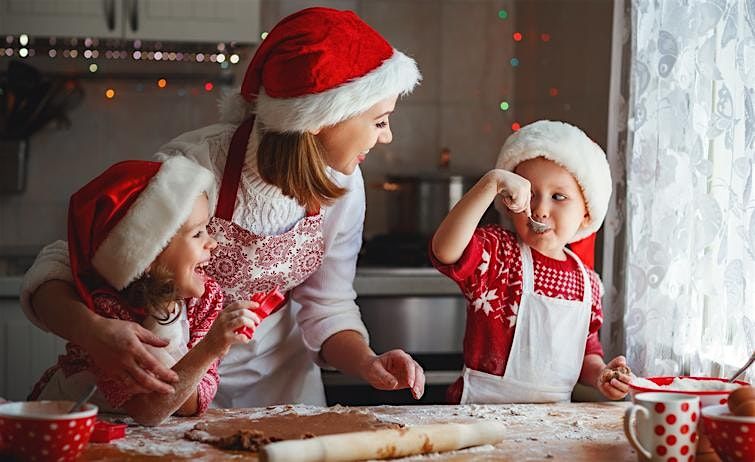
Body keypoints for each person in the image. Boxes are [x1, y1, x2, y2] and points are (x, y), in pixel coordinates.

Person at [20, 7, 425, 407]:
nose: (386, 136)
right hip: (177, 391)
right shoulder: (196, 165)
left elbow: (327, 304)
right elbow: (67, 262)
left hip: (285, 393)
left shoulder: (345, 184)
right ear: (322, 118)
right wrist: (92, 331)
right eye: (379, 121)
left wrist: (368, 363)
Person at [29, 157, 260, 425]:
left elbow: (190, 403)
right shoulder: (108, 309)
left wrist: (211, 349)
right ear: (147, 256)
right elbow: (149, 409)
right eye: (197, 234)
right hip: (67, 424)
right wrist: (210, 348)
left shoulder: (205, 299)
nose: (213, 243)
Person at [430, 120, 631, 404]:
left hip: (551, 425)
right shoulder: (498, 254)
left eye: (558, 197)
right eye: (530, 194)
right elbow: (445, 250)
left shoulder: (589, 284)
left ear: (587, 214)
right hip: (477, 415)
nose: (540, 209)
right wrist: (491, 184)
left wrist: (601, 374)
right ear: (510, 202)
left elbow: (586, 352)